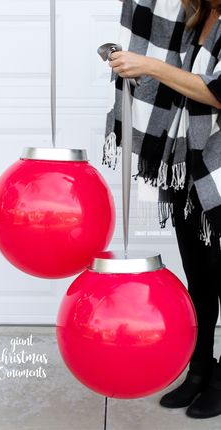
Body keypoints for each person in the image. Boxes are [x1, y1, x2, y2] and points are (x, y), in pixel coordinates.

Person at [106, 0, 221, 419]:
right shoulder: (194, 16)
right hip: (184, 164)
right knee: (200, 280)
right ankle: (201, 368)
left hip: (217, 168)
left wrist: (149, 67)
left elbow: (215, 91)